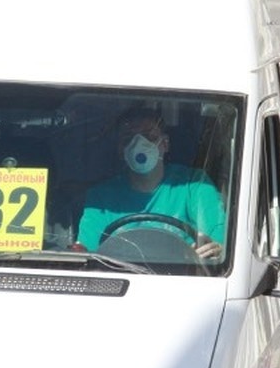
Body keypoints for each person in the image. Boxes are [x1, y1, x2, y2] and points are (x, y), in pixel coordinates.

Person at [75, 107, 225, 258]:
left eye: (149, 136)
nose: (139, 144)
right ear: (121, 150)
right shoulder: (101, 198)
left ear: (165, 144)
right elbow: (86, 254)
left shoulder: (194, 183)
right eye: (128, 138)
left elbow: (218, 240)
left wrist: (217, 249)